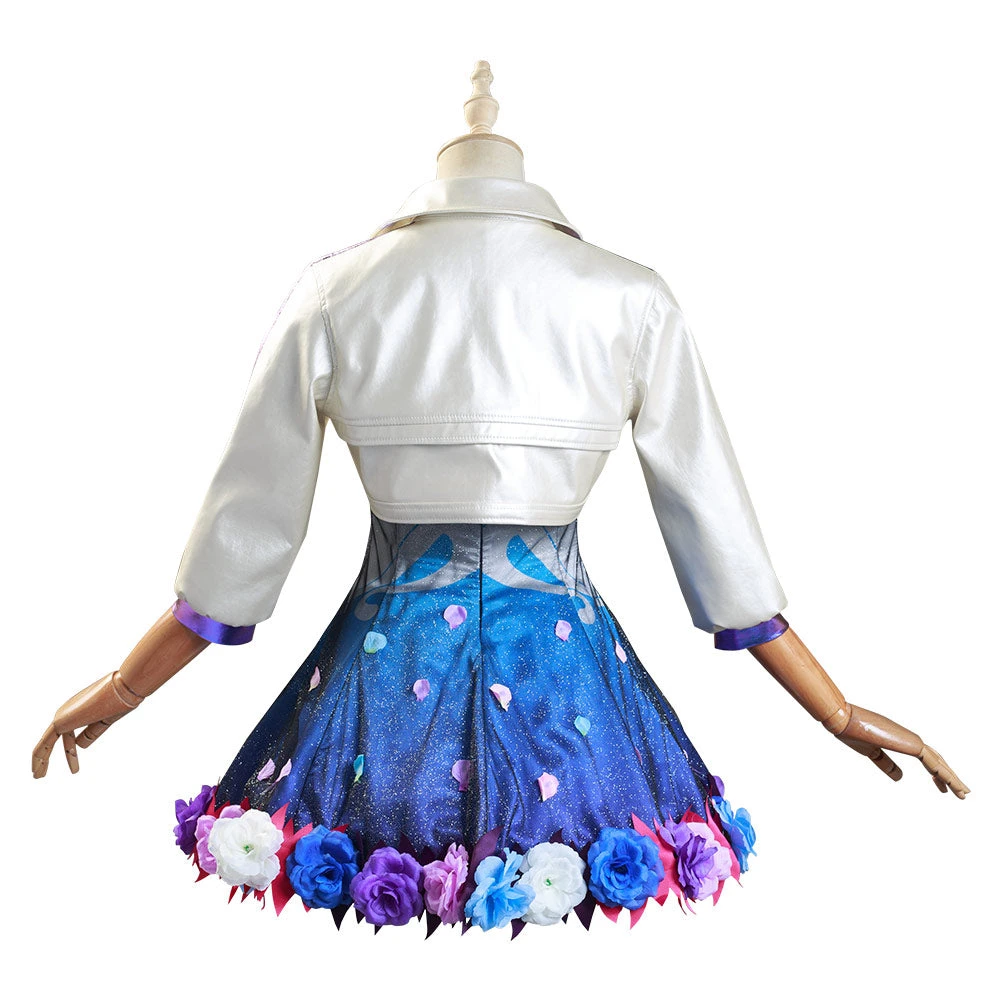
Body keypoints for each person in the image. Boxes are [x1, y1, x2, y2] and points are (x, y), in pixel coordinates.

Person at [31, 168, 968, 935]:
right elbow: (715, 530)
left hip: (377, 712)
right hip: (578, 708)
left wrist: (123, 687)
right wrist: (834, 709)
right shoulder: (627, 295)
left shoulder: (337, 291)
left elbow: (243, 535)